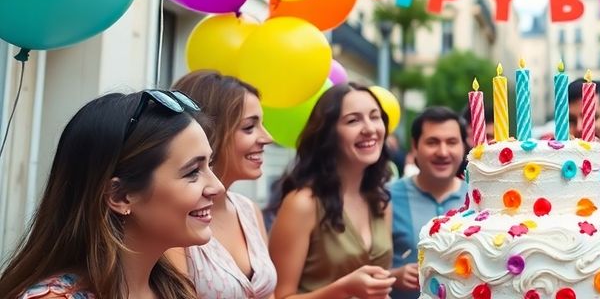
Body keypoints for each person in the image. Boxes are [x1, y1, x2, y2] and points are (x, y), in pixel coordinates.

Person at [0, 90, 224, 298]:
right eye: (193, 172)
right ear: (119, 196)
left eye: (209, 166)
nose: (217, 187)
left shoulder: (175, 289)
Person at [268, 83, 396, 299]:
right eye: (353, 120)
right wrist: (343, 289)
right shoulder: (303, 203)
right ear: (329, 134)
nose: (370, 129)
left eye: (375, 117)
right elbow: (278, 296)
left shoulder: (381, 201)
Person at [167, 71, 277, 298]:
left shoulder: (249, 210)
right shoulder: (173, 220)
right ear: (208, 132)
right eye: (249, 127)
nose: (267, 137)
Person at [388, 107, 469, 299]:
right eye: (432, 142)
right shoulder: (386, 198)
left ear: (464, 147)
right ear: (415, 146)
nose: (443, 152)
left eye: (452, 142)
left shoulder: (478, 198)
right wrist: (394, 277)